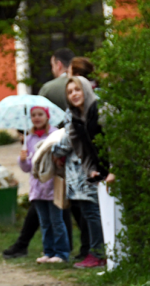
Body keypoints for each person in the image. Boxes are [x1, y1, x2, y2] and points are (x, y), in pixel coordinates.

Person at [52, 76, 111, 268]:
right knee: (91, 211)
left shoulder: (102, 110)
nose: (74, 95)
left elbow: (116, 141)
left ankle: (100, 253)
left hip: (112, 168)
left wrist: (113, 170)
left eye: (77, 90)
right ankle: (98, 253)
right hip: (95, 170)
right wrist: (91, 170)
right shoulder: (76, 117)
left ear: (85, 89)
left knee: (95, 212)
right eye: (69, 92)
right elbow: (82, 148)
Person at [38, 48, 88, 260]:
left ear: (59, 65)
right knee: (78, 207)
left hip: (68, 156)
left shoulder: (50, 88)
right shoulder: (85, 92)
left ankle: (67, 250)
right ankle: (82, 248)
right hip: (78, 156)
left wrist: (56, 148)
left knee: (72, 206)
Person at [10, 107, 69, 262]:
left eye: (40, 114)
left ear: (47, 116)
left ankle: (61, 252)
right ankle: (48, 252)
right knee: (45, 223)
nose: (37, 118)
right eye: (33, 115)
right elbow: (28, 168)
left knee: (57, 221)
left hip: (52, 185)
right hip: (37, 188)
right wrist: (22, 160)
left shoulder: (56, 135)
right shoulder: (29, 139)